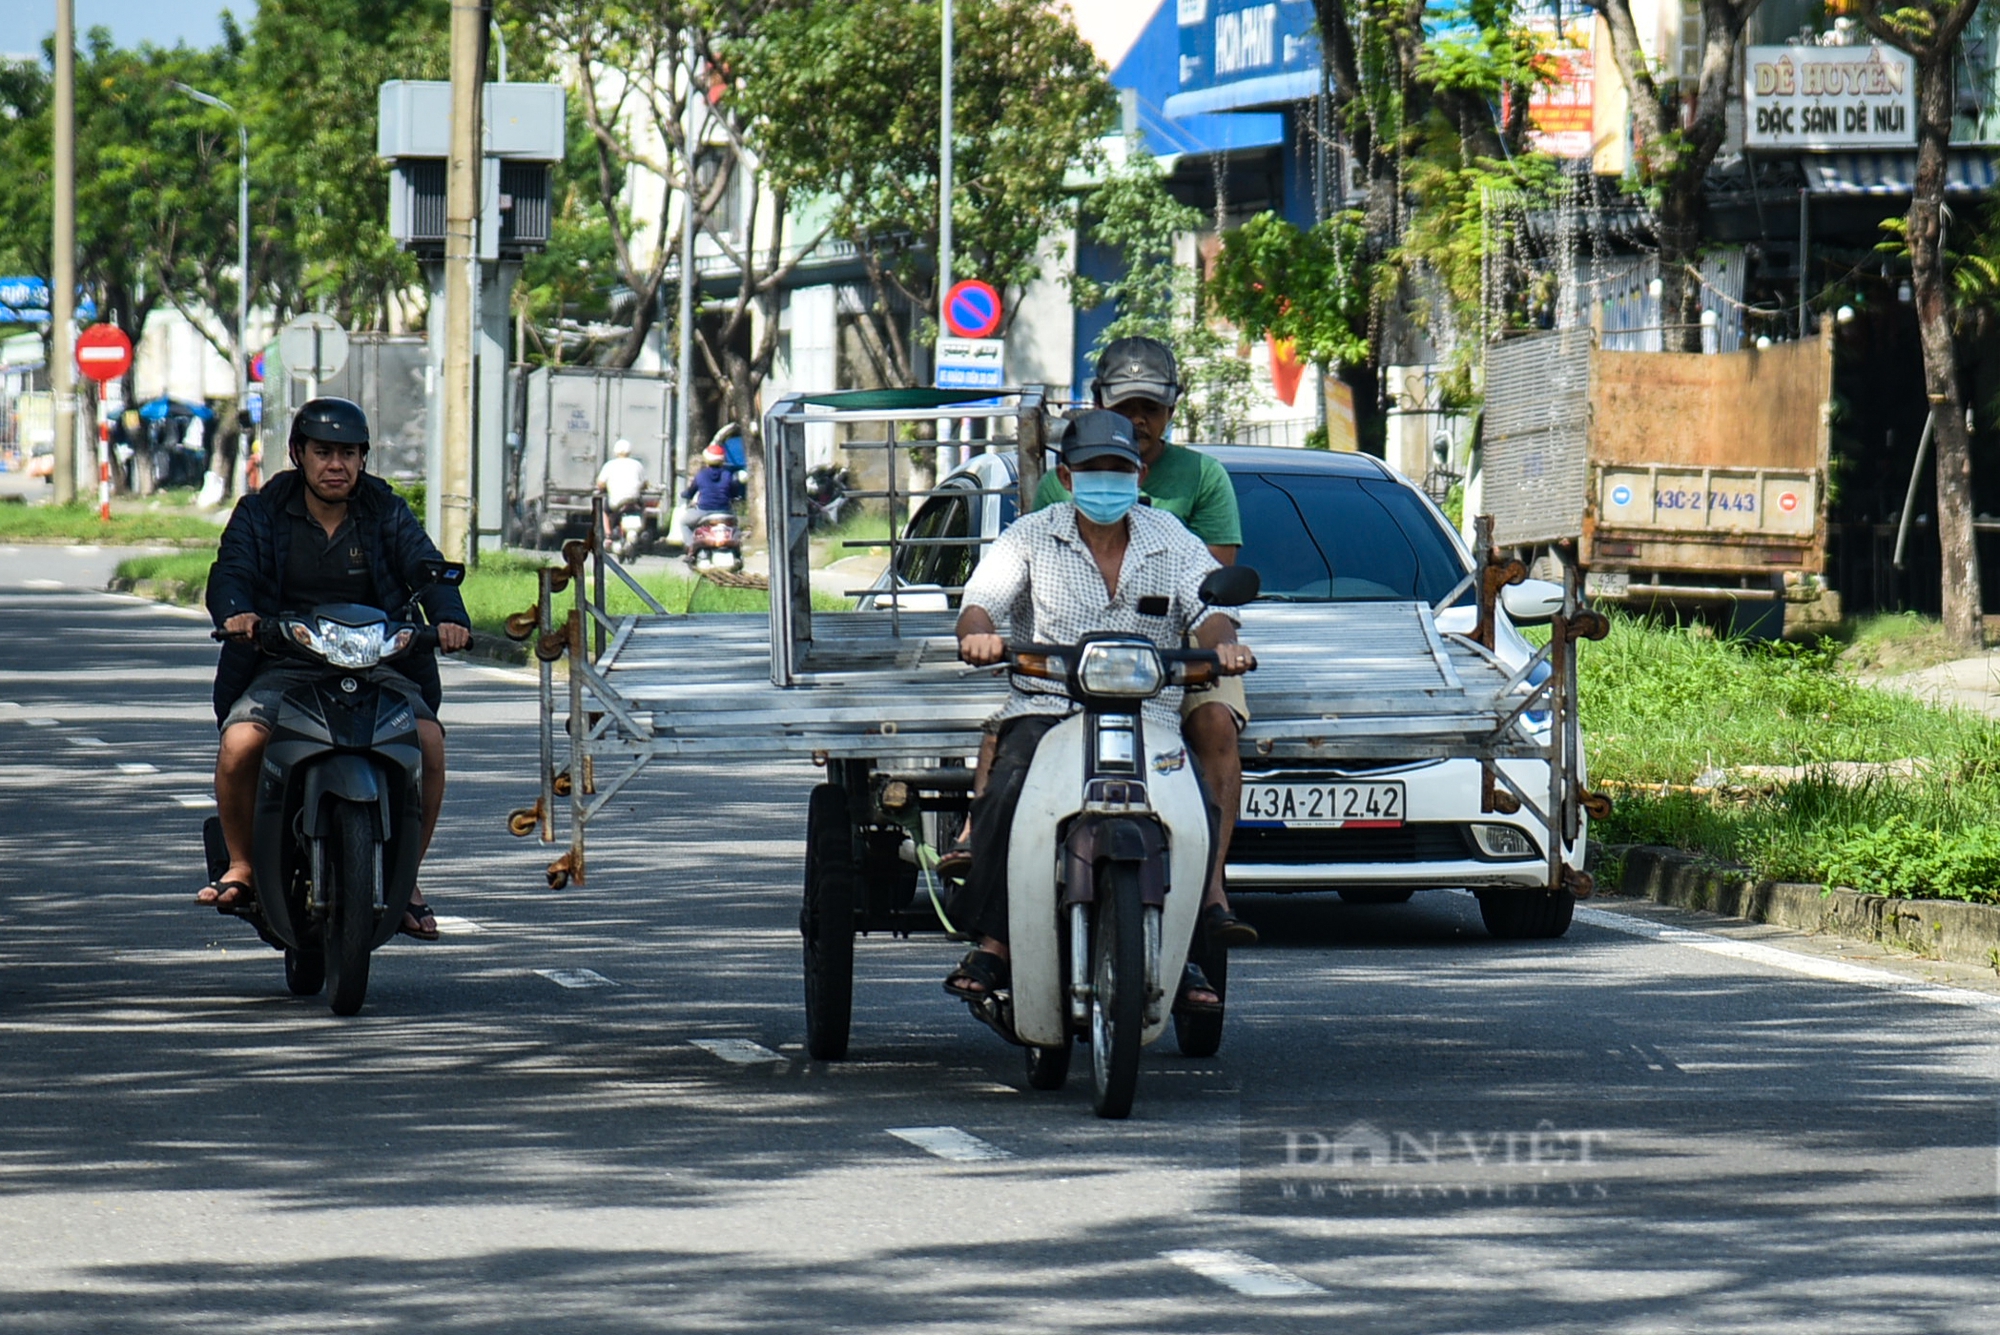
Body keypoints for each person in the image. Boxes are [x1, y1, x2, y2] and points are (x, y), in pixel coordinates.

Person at [947, 337, 1257, 945]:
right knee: (1007, 788)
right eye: (1093, 473)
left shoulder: (1170, 535)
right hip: (1050, 700)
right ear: (1067, 476)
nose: (1106, 483)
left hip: (1154, 706)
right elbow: (981, 602)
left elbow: (1209, 603)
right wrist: (979, 635)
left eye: (1119, 472)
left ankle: (1194, 928)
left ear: (1139, 475)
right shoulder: (1033, 534)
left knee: (1190, 805)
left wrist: (1223, 646)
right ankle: (993, 946)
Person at [197, 397, 472, 940]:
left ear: (363, 459)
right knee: (240, 744)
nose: (336, 465)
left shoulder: (386, 511)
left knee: (430, 742)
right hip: (286, 662)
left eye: (348, 453)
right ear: (298, 454)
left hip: (379, 664)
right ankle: (243, 866)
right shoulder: (260, 512)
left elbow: (427, 568)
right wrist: (237, 616)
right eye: (323, 452)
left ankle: (407, 879)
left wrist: (448, 619)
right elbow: (231, 572)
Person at [679, 442, 745, 545]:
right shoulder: (728, 475)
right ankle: (736, 550)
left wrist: (685, 494)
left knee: (684, 523)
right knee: (735, 527)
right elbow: (734, 492)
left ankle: (691, 547)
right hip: (725, 511)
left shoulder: (701, 475)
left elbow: (690, 492)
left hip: (703, 511)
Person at [595, 437, 648, 542]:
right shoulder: (637, 464)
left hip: (616, 502)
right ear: (630, 451)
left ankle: (608, 536)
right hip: (634, 499)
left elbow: (600, 484)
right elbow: (645, 484)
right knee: (643, 509)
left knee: (605, 511)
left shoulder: (609, 465)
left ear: (615, 451)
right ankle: (641, 530)